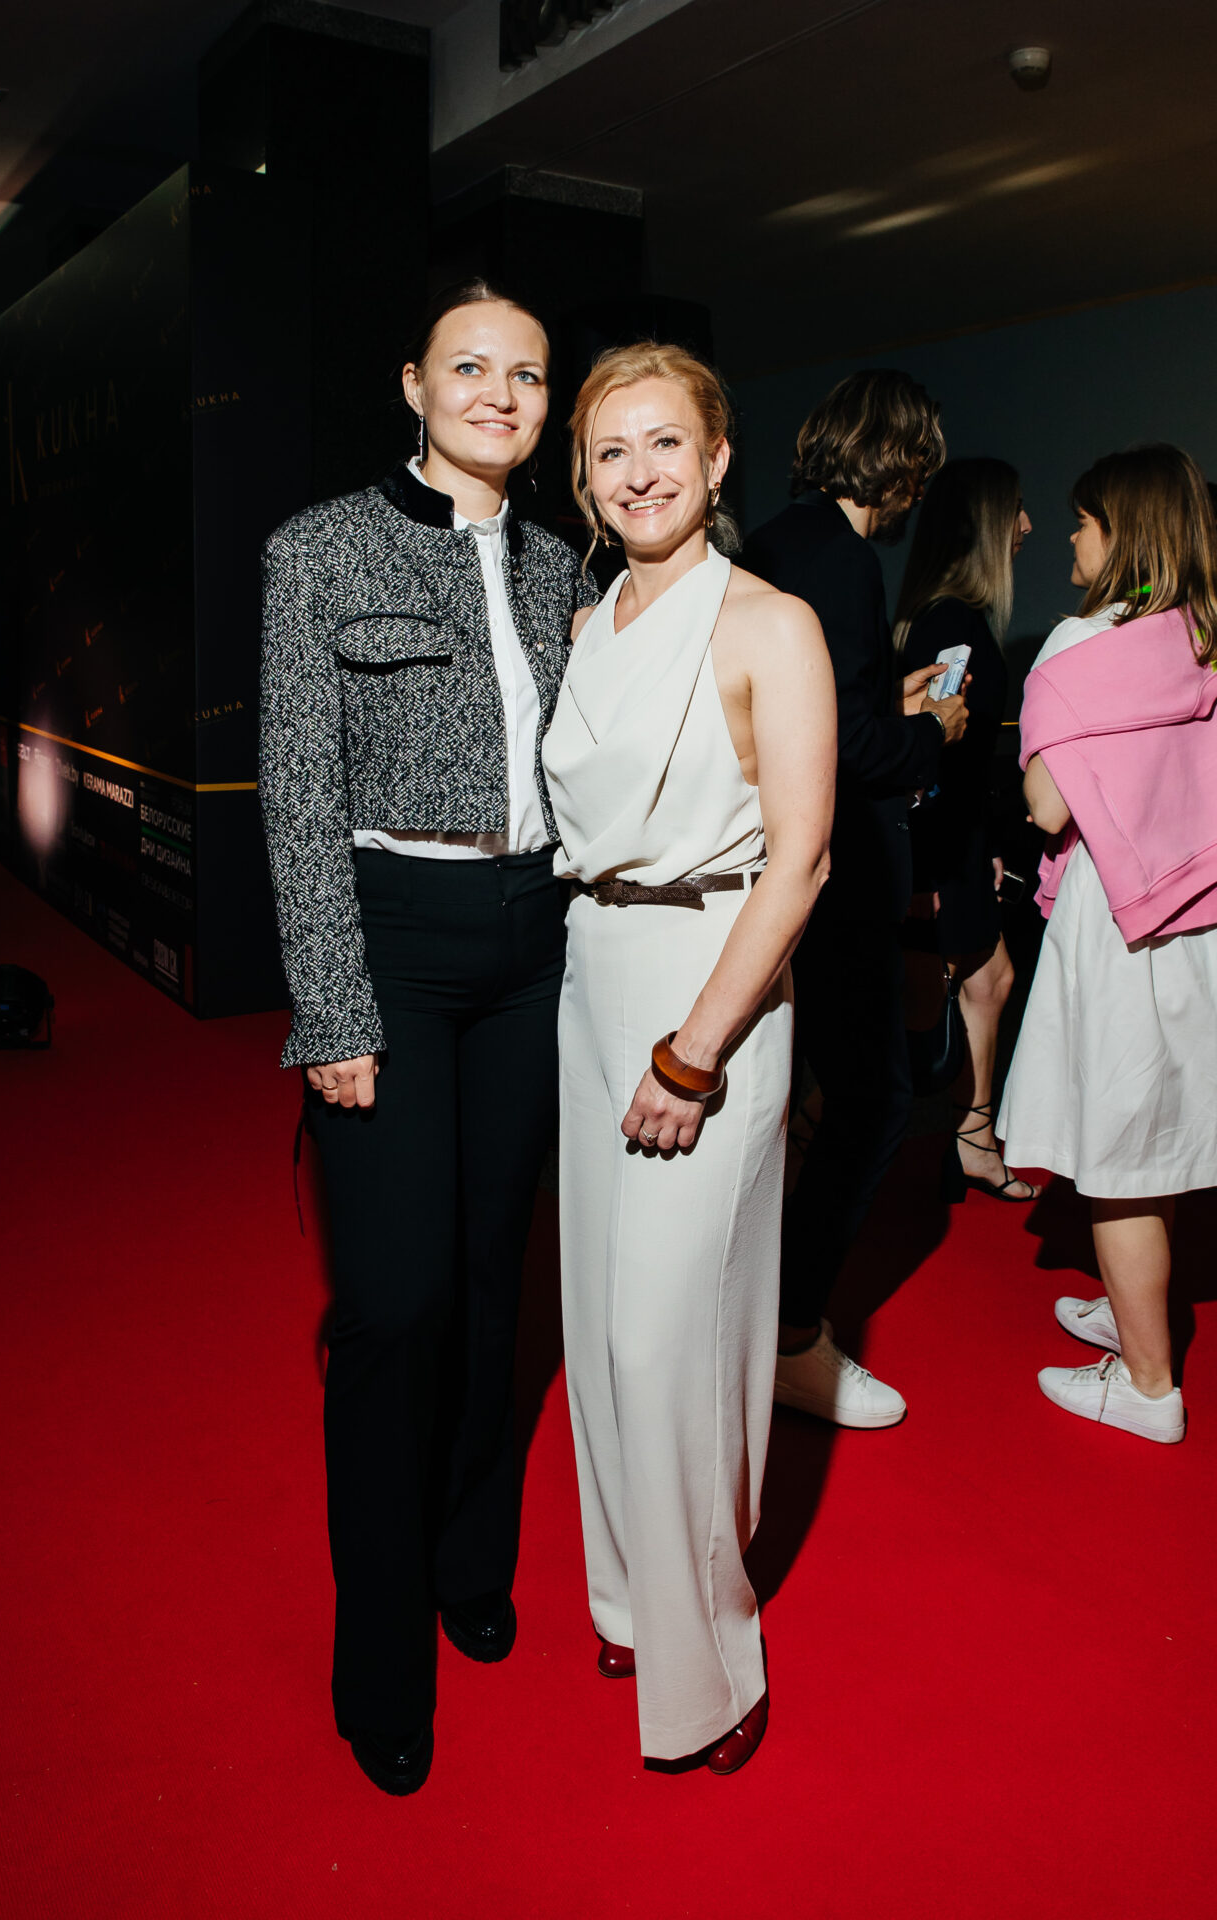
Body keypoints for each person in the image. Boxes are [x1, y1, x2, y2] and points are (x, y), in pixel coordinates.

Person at [259, 279, 597, 1794]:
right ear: (413, 383)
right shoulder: (317, 550)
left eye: (525, 375)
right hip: (391, 939)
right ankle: (380, 1651)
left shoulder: (561, 562)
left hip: (534, 945)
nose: (498, 395)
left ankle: (471, 1559)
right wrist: (332, 1005)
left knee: (487, 1284)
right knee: (391, 1308)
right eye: (470, 367)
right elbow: (295, 794)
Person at [543, 343, 835, 1771]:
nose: (639, 473)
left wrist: (695, 1053)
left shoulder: (770, 622)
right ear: (583, 479)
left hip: (710, 988)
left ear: (718, 460)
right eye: (611, 451)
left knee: (675, 1340)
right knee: (601, 1328)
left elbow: (803, 861)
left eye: (666, 443)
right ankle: (625, 1596)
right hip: (590, 977)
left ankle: (712, 1661)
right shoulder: (585, 623)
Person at [743, 370, 966, 1429]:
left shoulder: (781, 540)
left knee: (796, 1101)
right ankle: (790, 1336)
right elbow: (855, 750)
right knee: (874, 1101)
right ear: (902, 458)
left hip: (775, 866)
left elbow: (821, 704)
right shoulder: (842, 559)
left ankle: (763, 1312)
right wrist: (931, 731)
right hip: (832, 876)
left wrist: (888, 697)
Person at [998, 444, 1217, 1443]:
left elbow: (1046, 809)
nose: (1069, 538)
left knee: (1120, 1152)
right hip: (1198, 910)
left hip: (1119, 916)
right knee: (1155, 1129)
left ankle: (1146, 1384)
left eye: (1082, 522)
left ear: (1119, 530)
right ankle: (1134, 1313)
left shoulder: (1081, 642)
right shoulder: (1205, 635)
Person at [894, 458, 1036, 1203]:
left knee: (988, 980)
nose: (1028, 526)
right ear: (984, 523)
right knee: (914, 1018)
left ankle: (973, 1140)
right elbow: (931, 753)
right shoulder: (953, 623)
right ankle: (811, 1133)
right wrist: (933, 872)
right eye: (1016, 511)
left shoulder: (957, 618)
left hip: (957, 844)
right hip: (936, 851)